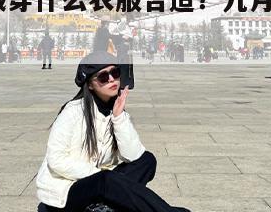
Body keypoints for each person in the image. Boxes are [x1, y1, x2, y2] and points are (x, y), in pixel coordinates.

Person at [36, 51, 191, 212]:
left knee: (146, 160)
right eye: (103, 77)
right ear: (90, 85)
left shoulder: (115, 111)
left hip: (100, 185)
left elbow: (134, 155)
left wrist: (119, 117)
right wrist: (99, 174)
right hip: (65, 193)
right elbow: (56, 160)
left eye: (115, 73)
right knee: (106, 180)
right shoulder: (73, 112)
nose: (111, 79)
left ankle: (103, 207)